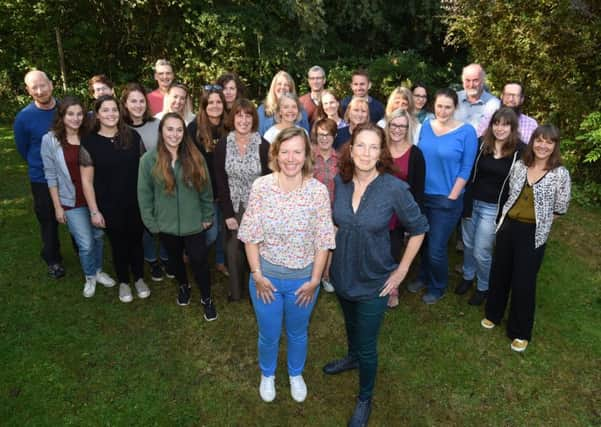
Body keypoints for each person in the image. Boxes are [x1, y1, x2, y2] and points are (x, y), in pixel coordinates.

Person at [324, 123, 427, 427]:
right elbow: (335, 223)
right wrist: (328, 258)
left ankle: (364, 397)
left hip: (374, 279)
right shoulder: (339, 182)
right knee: (351, 323)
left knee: (369, 344)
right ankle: (352, 357)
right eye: (360, 146)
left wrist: (402, 271)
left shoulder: (394, 187)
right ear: (351, 149)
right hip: (342, 272)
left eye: (373, 147)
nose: (366, 153)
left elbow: (419, 228)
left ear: (381, 152)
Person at [238, 126, 336, 403]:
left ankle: (295, 373)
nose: (291, 158)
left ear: (307, 154)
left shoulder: (317, 192)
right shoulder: (261, 187)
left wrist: (315, 280)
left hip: (303, 281)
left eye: (297, 152)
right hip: (265, 279)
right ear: (275, 154)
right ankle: (267, 374)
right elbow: (250, 235)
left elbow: (324, 240)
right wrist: (257, 275)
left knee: (297, 332)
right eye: (285, 152)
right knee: (268, 333)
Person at [481, 125, 571, 352]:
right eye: (539, 140)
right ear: (532, 142)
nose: (543, 145)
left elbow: (560, 207)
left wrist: (540, 221)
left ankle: (520, 331)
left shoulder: (560, 174)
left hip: (533, 233)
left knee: (524, 281)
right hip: (508, 226)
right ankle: (493, 313)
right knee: (500, 272)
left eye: (549, 142)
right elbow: (511, 192)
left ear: (555, 146)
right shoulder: (521, 165)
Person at [138, 113, 217, 321]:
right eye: (169, 129)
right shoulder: (148, 160)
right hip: (166, 225)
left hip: (194, 223)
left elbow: (206, 191)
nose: (174, 134)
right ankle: (183, 286)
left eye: (179, 129)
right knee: (175, 261)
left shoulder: (195, 157)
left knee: (199, 260)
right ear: (161, 132)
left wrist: (207, 214)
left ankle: (207, 298)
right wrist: (152, 223)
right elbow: (144, 195)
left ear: (184, 132)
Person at [407, 88, 478, 304]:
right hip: (422, 196)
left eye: (448, 107)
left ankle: (438, 285)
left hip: (446, 200)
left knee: (437, 247)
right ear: (433, 106)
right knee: (424, 242)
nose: (443, 111)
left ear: (455, 107)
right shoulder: (425, 127)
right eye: (439, 106)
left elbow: (466, 168)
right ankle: (423, 276)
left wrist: (452, 196)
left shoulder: (467, 132)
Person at [41, 96, 115, 297]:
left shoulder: (90, 136)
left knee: (98, 236)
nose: (75, 118)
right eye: (70, 114)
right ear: (62, 116)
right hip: (71, 200)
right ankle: (90, 276)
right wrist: (57, 207)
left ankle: (98, 270)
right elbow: (50, 175)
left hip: (95, 196)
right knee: (86, 242)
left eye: (79, 114)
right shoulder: (50, 140)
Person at [80, 95, 150, 303]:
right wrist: (94, 211)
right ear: (98, 115)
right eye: (105, 110)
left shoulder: (132, 137)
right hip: (108, 204)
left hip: (136, 201)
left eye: (114, 110)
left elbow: (145, 169)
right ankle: (124, 282)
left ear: (120, 113)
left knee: (136, 241)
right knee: (118, 244)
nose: (111, 114)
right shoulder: (90, 142)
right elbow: (86, 181)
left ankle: (138, 278)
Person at [456, 108, 524, 306]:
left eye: (505, 124)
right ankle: (468, 276)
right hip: (471, 201)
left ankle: (483, 286)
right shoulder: (481, 144)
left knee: (482, 250)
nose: (500, 128)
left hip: (493, 207)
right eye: (496, 123)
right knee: (468, 244)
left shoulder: (520, 151)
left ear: (512, 128)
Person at [214, 99, 271, 302]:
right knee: (233, 248)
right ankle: (236, 292)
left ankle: (260, 283)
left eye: (248, 115)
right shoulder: (223, 145)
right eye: (239, 115)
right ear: (233, 118)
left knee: (255, 247)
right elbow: (220, 181)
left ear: (254, 119)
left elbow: (270, 178)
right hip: (233, 204)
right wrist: (228, 214)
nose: (244, 120)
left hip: (257, 206)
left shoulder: (263, 146)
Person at [14, 70, 65, 278]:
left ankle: (83, 251)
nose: (40, 90)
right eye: (34, 87)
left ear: (51, 85)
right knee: (48, 219)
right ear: (28, 91)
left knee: (76, 214)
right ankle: (53, 259)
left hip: (69, 174)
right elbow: (23, 149)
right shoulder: (24, 118)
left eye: (42, 85)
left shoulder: (66, 109)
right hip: (41, 178)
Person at [121, 82, 170, 281]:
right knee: (145, 225)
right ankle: (152, 260)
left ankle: (167, 257)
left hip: (159, 181)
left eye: (142, 101)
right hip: (132, 185)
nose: (138, 105)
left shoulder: (156, 125)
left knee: (165, 221)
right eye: (133, 101)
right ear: (124, 103)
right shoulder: (119, 128)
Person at [384, 109, 426, 308]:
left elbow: (418, 190)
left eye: (402, 126)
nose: (397, 129)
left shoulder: (415, 154)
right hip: (378, 209)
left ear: (408, 128)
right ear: (388, 125)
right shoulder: (379, 149)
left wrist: (412, 222)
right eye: (394, 125)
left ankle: (392, 289)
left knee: (393, 252)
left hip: (399, 215)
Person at [188, 85, 229, 277]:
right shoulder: (194, 128)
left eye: (218, 101)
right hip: (205, 190)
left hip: (227, 188)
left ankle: (220, 261)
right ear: (204, 105)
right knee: (211, 233)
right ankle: (193, 252)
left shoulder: (229, 126)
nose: (215, 105)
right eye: (210, 102)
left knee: (223, 229)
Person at [310, 118, 340, 293]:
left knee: (328, 244)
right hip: (312, 209)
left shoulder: (341, 159)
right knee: (312, 243)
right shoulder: (309, 156)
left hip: (334, 209)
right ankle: (311, 274)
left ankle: (325, 276)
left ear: (334, 136)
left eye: (328, 135)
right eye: (320, 135)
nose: (324, 139)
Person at [257, 71, 310, 136]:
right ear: (273, 87)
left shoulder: (300, 109)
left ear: (290, 89)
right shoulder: (263, 109)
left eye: (286, 85)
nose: (282, 87)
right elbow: (259, 136)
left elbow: (306, 136)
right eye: (279, 84)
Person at [454, 64, 500, 130]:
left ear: (483, 81)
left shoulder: (494, 104)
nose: (471, 85)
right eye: (468, 80)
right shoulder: (453, 99)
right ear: (463, 81)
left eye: (475, 80)